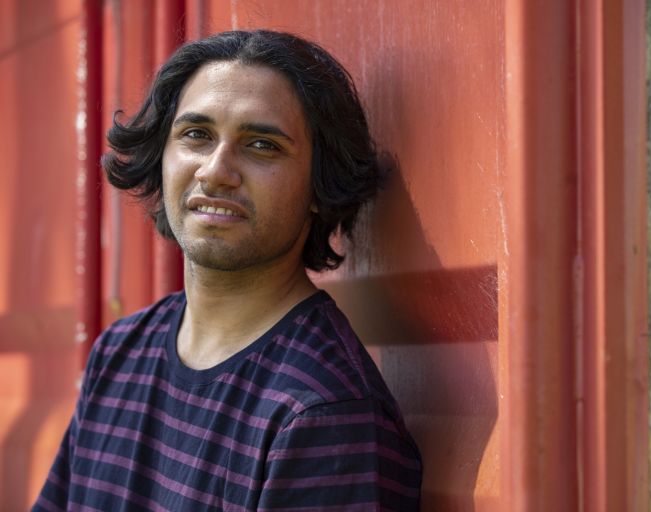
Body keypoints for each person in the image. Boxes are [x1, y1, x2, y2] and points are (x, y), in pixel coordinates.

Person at [34, 30, 421, 511]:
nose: (216, 171)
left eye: (262, 145)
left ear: (320, 187)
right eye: (196, 134)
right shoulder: (119, 352)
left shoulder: (325, 414)